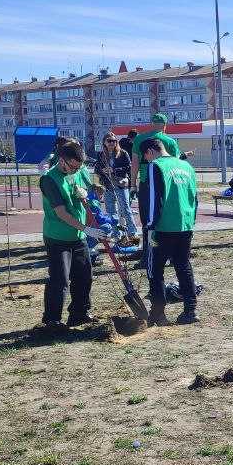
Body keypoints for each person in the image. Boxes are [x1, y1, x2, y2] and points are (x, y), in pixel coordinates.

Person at [38, 141, 105, 335]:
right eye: (73, 167)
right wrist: (87, 229)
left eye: (79, 167)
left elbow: (74, 194)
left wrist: (87, 192)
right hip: (58, 237)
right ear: (62, 161)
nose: (76, 170)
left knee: (84, 275)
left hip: (77, 236)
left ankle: (79, 313)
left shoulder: (73, 173)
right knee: (60, 279)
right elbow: (61, 212)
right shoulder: (50, 180)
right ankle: (52, 319)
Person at [138, 137, 200, 326]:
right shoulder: (186, 166)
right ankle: (190, 310)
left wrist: (150, 226)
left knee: (155, 270)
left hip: (163, 226)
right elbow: (194, 197)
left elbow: (155, 198)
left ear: (150, 151)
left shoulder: (156, 166)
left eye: (145, 157)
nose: (146, 160)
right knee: (183, 267)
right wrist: (191, 220)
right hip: (185, 224)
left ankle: (158, 314)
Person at [130, 113, 190, 189]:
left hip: (145, 181)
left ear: (151, 124)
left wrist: (133, 185)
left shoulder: (138, 139)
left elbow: (135, 164)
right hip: (165, 182)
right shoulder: (171, 142)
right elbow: (176, 164)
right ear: (165, 125)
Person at [97, 133, 138, 241]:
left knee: (126, 210)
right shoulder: (100, 154)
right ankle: (116, 235)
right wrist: (102, 170)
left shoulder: (123, 153)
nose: (112, 143)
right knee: (111, 212)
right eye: (109, 141)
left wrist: (114, 170)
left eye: (114, 141)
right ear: (104, 142)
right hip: (107, 186)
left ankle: (132, 233)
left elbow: (129, 167)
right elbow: (97, 169)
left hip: (121, 185)